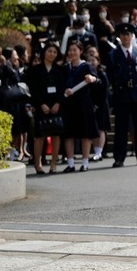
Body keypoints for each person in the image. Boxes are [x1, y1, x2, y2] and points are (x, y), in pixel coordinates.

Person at [107, 23, 137, 167]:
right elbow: (111, 75)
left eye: (128, 34)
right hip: (122, 93)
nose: (125, 37)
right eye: (122, 35)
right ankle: (119, 157)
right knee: (121, 127)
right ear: (119, 37)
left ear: (132, 36)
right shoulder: (113, 54)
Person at [25, 42, 65, 174]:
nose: (52, 54)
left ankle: (53, 163)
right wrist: (41, 104)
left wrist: (58, 103)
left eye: (54, 52)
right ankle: (38, 163)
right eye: (49, 51)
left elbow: (62, 89)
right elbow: (33, 89)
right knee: (39, 136)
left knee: (56, 134)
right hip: (41, 106)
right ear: (44, 53)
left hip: (56, 106)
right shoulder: (35, 70)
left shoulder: (60, 70)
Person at [60, 40, 99, 172]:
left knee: (85, 134)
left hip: (83, 103)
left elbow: (96, 79)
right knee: (69, 134)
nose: (72, 52)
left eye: (75, 50)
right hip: (69, 104)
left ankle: (85, 162)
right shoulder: (65, 68)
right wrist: (64, 90)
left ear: (80, 51)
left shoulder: (86, 66)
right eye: (70, 50)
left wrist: (91, 78)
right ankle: (70, 163)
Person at [87, 51, 110, 162]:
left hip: (101, 105)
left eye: (93, 60)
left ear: (98, 62)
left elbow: (104, 92)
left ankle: (99, 152)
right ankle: (96, 151)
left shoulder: (102, 74)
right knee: (94, 129)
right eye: (89, 60)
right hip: (90, 105)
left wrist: (97, 105)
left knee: (101, 129)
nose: (91, 62)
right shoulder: (87, 75)